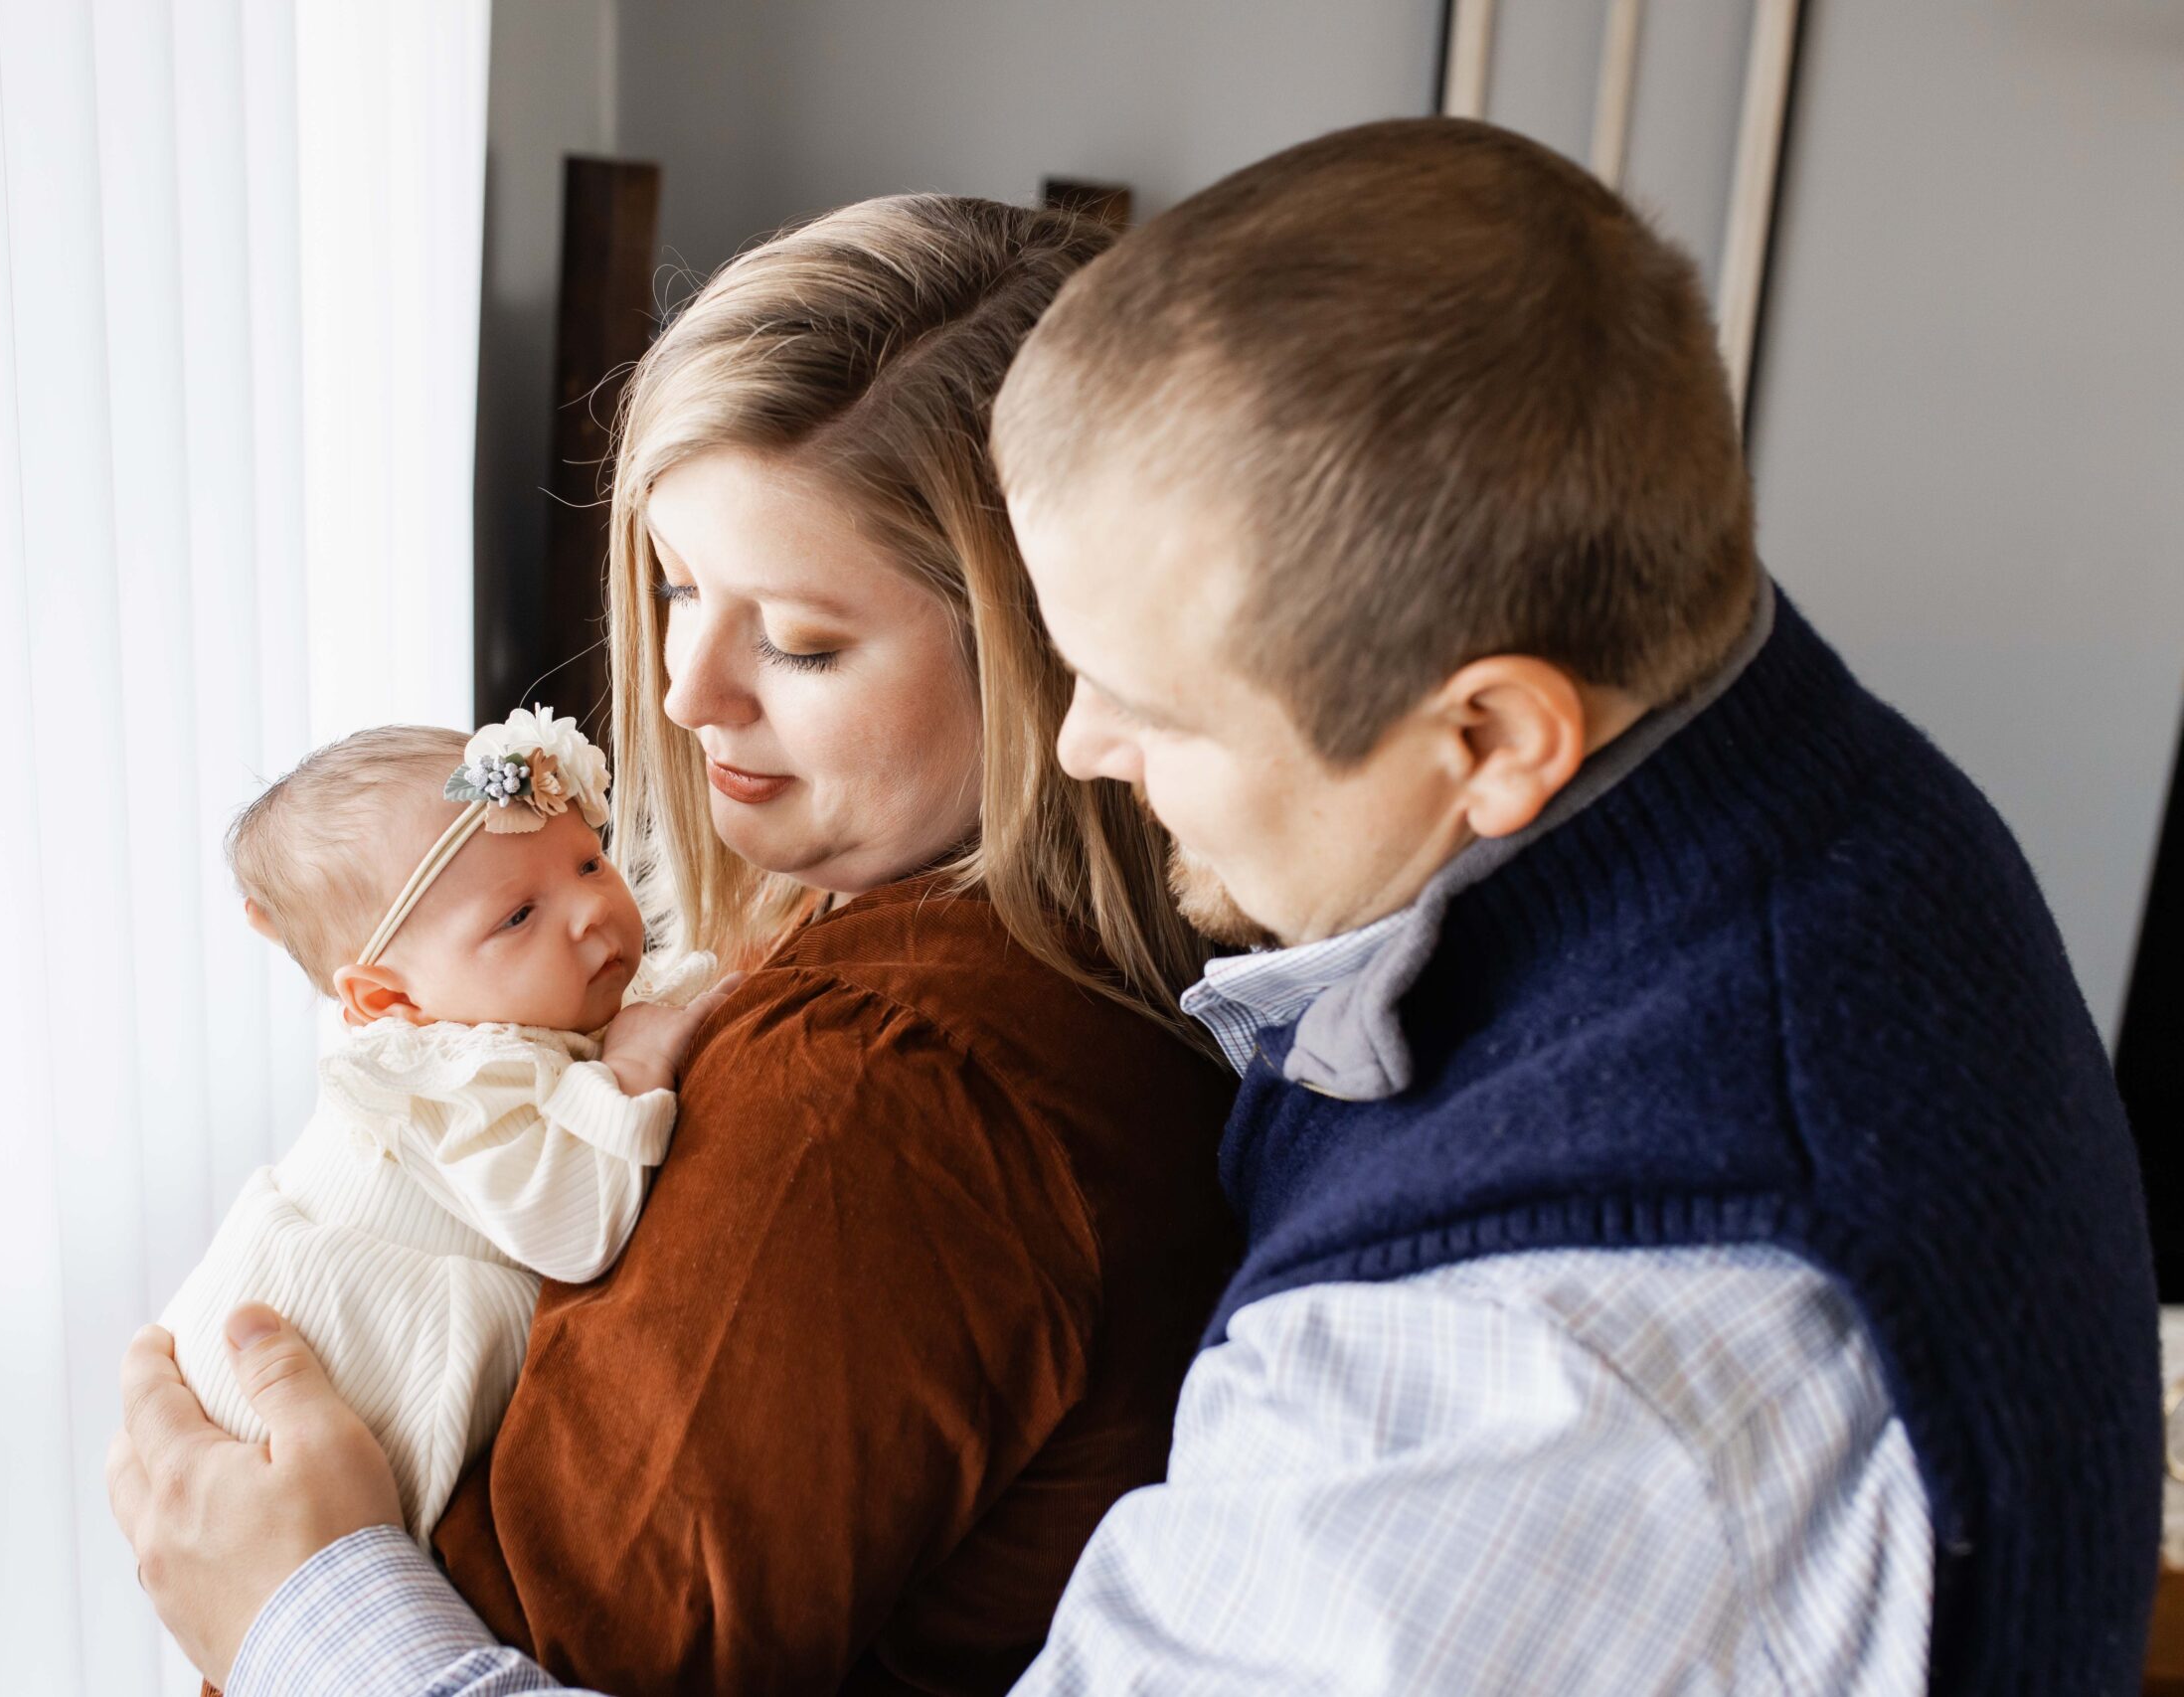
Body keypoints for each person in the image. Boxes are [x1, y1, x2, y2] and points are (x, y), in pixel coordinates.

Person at [115, 121, 2162, 1693]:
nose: (1079, 746)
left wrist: (307, 1613)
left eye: (1149, 702)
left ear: (1487, 735)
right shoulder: (1825, 799)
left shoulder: (1532, 1374)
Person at [113, 194, 1237, 1695]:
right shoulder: (924, 943)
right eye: (677, 585)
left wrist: (277, 1603)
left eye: (802, 641)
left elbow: (567, 1647)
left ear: (1050, 652)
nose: (686, 693)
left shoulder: (885, 1089)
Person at [159, 711, 731, 1540]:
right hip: (289, 1382)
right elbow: (576, 1228)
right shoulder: (445, 1078)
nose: (590, 909)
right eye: (517, 916)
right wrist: (637, 1063)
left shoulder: (525, 1007)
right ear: (392, 1000)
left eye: (588, 860)